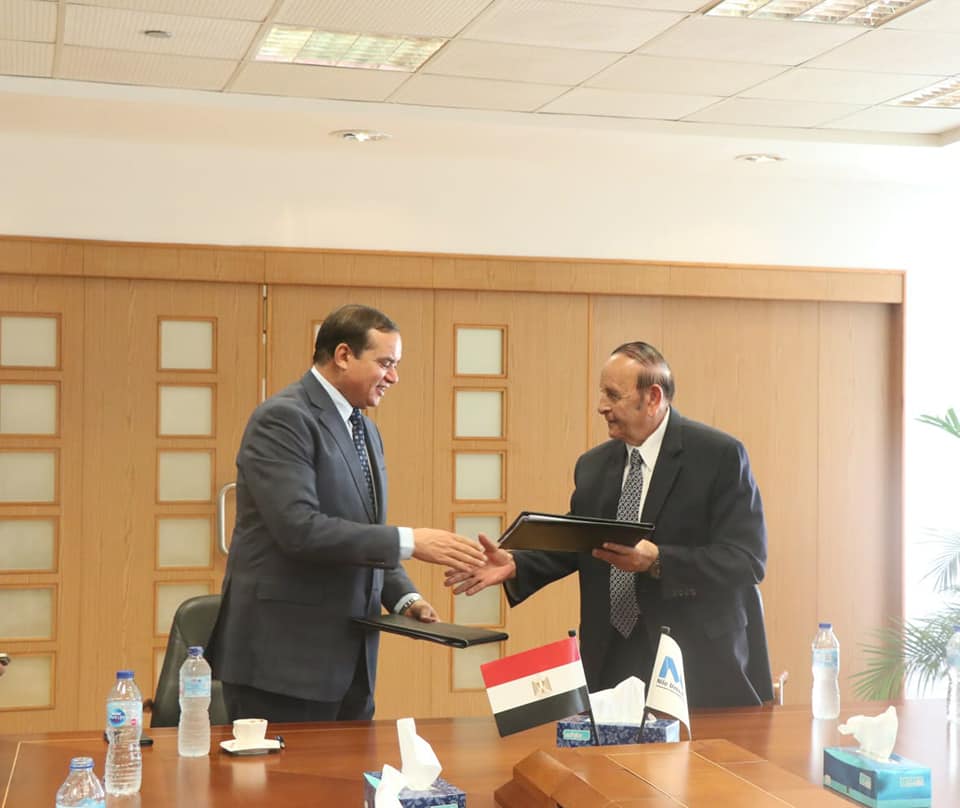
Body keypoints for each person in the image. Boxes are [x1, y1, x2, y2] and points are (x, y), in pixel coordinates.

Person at [446, 342, 773, 708]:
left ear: (653, 397)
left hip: (693, 656)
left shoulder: (719, 456)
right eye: (602, 393)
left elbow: (747, 560)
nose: (601, 406)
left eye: (613, 395)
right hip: (611, 651)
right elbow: (583, 541)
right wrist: (517, 563)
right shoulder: (593, 465)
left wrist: (658, 560)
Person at [209, 304, 485, 722]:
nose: (394, 377)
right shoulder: (283, 418)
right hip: (282, 662)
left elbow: (361, 531)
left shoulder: (364, 426)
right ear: (343, 355)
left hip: (351, 659)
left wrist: (404, 597)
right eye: (385, 363)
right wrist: (411, 541)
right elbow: (299, 529)